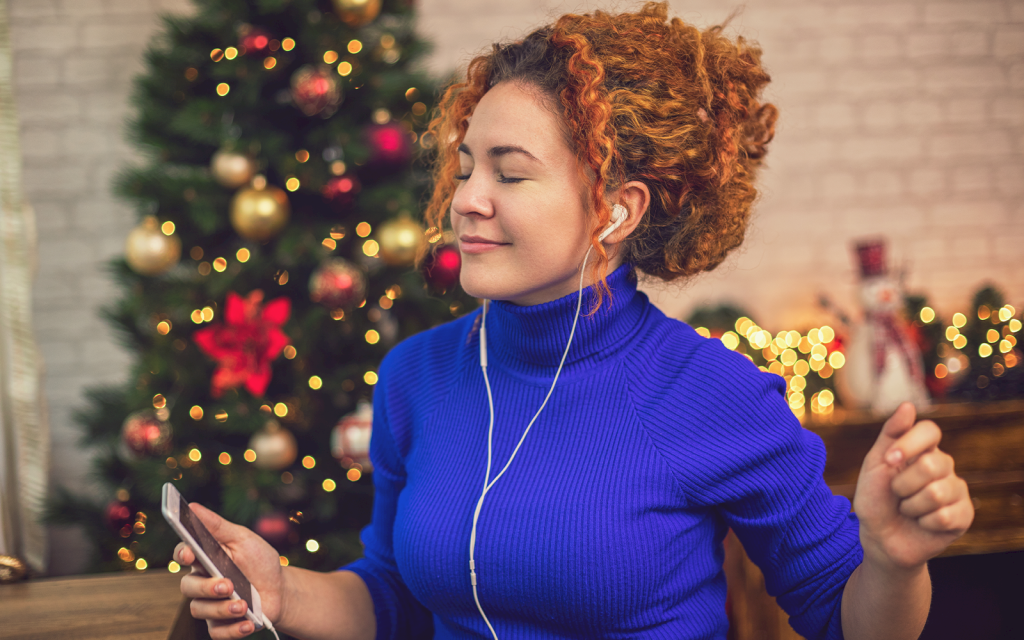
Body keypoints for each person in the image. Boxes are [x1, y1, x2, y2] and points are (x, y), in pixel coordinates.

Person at [175, 4, 974, 639]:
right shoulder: (417, 378)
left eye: (510, 172)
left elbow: (847, 619)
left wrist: (895, 564)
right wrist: (283, 592)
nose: (464, 199)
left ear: (615, 210)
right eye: (464, 167)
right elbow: (393, 599)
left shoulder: (712, 394)